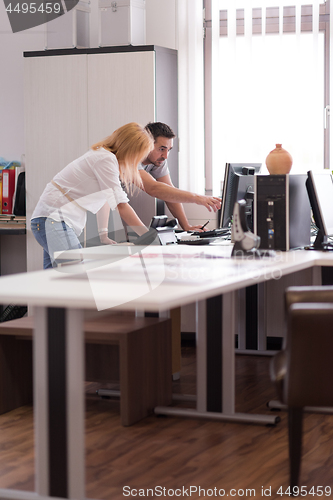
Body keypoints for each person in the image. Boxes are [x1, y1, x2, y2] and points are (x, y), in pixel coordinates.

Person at [31, 122, 153, 269]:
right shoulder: (106, 159)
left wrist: (103, 234)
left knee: (54, 278)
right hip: (53, 219)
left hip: (52, 219)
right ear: (131, 150)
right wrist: (148, 238)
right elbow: (121, 205)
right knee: (75, 272)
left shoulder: (104, 157)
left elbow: (106, 198)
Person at [139, 122, 221, 231]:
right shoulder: (132, 159)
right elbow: (154, 188)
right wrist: (197, 198)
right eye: (161, 149)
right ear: (146, 144)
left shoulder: (157, 160)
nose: (165, 156)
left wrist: (186, 226)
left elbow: (169, 192)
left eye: (168, 150)